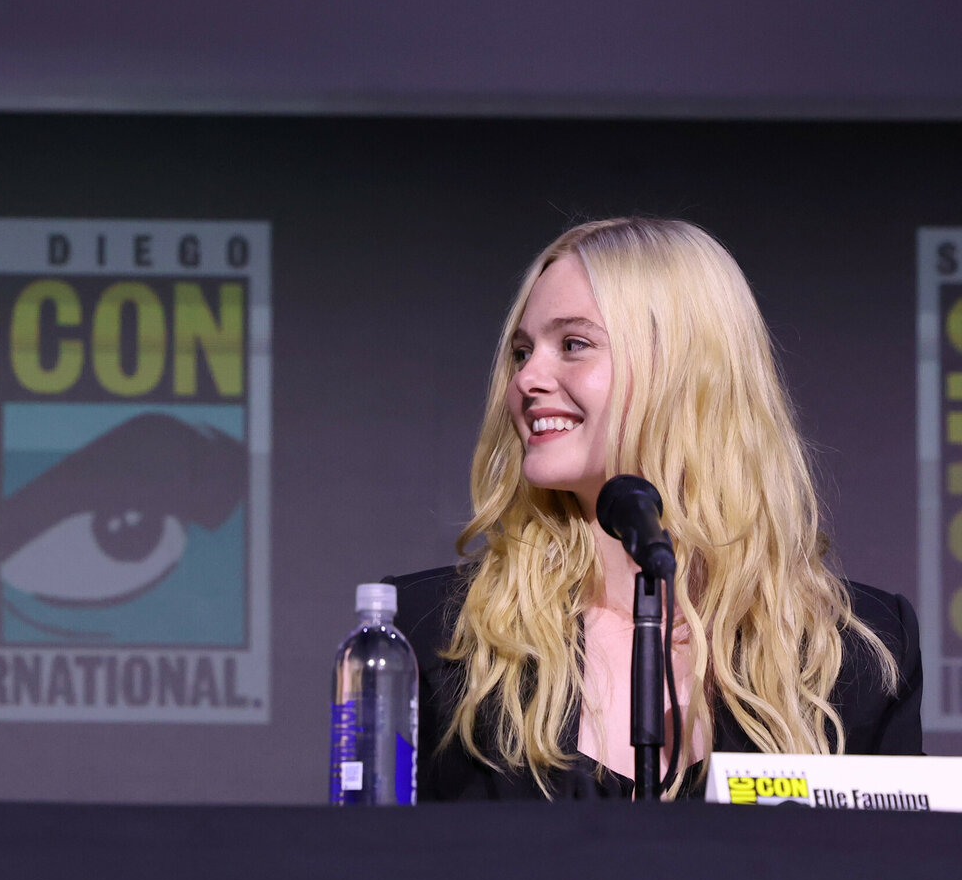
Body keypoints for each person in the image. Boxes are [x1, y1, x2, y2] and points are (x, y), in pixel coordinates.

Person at [390, 217, 921, 800]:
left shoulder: (856, 651)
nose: (527, 379)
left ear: (685, 370)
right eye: (521, 352)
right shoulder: (426, 634)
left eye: (573, 345)